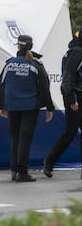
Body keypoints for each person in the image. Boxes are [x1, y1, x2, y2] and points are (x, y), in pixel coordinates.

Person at [0, 34, 54, 182]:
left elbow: (0, 86)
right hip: (30, 106)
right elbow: (44, 88)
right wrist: (50, 108)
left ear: (18, 46)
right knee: (25, 138)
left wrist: (1, 105)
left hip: (12, 106)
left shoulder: (9, 64)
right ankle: (22, 172)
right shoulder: (35, 65)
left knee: (15, 138)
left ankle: (14, 170)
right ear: (31, 47)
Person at [43, 29, 82, 179]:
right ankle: (49, 161)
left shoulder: (75, 50)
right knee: (70, 133)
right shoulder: (77, 53)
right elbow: (67, 79)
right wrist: (72, 100)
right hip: (75, 96)